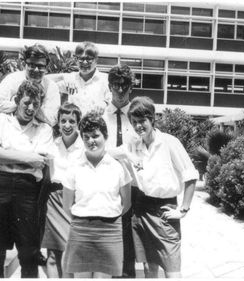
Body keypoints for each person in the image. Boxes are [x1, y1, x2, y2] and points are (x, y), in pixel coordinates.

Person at [0, 81, 53, 278]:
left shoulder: (44, 129)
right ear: (17, 100)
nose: (30, 108)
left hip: (27, 189)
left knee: (29, 250)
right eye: (26, 103)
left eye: (35, 105)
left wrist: (6, 153)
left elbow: (40, 161)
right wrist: (27, 157)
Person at [127, 96, 199, 278]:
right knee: (149, 269)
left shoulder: (169, 142)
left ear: (152, 119)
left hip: (165, 210)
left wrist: (183, 209)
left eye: (142, 121)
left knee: (172, 270)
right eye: (134, 122)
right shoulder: (134, 145)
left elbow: (190, 176)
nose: (138, 126)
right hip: (141, 211)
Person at [62, 113, 131, 278]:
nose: (91, 140)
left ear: (105, 136)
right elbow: (67, 205)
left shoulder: (118, 167)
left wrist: (106, 215)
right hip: (81, 230)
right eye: (86, 137)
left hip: (110, 231)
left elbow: (126, 204)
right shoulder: (74, 167)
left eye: (95, 136)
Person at [103, 64, 139, 278]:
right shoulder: (100, 115)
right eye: (115, 85)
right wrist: (123, 152)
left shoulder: (138, 116)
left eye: (124, 85)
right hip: (106, 186)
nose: (119, 89)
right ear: (109, 86)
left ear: (130, 88)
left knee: (129, 242)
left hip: (133, 187)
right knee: (108, 239)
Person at [41, 103, 85, 278]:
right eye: (63, 121)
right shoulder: (52, 145)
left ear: (78, 123)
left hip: (74, 201)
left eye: (72, 121)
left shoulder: (85, 147)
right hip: (52, 201)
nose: (67, 125)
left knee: (68, 251)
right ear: (58, 123)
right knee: (52, 255)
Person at [0, 43, 60, 126]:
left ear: (46, 67)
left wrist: (30, 107)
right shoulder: (13, 79)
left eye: (40, 66)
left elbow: (52, 120)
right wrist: (19, 104)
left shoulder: (51, 86)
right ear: (25, 64)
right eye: (32, 65)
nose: (36, 70)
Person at [48, 41, 111, 115]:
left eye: (89, 59)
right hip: (74, 125)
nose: (84, 62)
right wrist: (64, 76)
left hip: (97, 124)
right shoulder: (70, 79)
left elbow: (113, 101)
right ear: (76, 60)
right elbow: (42, 80)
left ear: (96, 60)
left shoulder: (106, 79)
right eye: (81, 59)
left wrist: (104, 103)